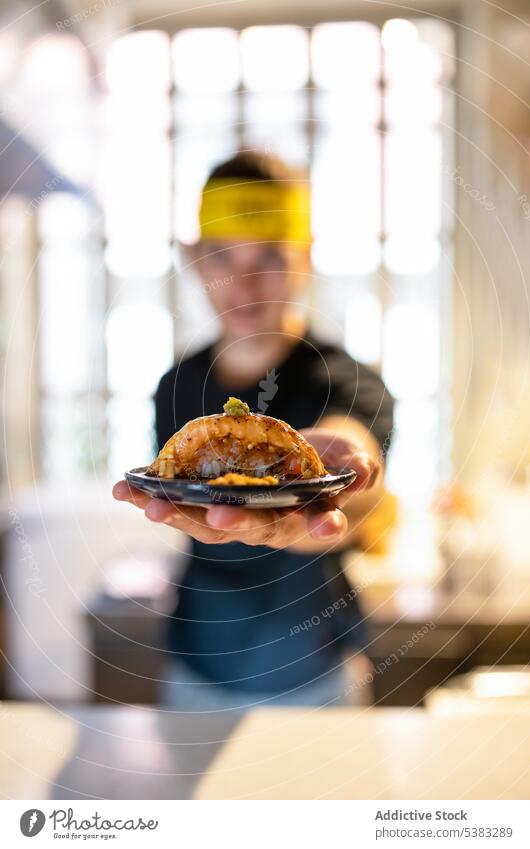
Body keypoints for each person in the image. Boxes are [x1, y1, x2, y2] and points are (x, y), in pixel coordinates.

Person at [113, 151, 394, 710]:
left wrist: (340, 472)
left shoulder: (350, 380)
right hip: (197, 661)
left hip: (317, 669)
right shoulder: (175, 385)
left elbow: (360, 475)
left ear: (306, 258)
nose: (244, 281)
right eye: (222, 255)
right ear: (194, 259)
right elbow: (180, 496)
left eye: (269, 254)